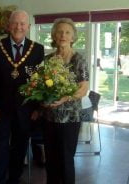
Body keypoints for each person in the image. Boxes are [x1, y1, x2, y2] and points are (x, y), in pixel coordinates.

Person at [0, 10, 44, 184]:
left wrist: (37, 108)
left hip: (26, 110)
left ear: (28, 27)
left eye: (22, 23)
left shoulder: (37, 49)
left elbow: (39, 82)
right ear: (9, 26)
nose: (19, 27)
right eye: (15, 23)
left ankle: (14, 180)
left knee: (20, 148)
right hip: (0, 110)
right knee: (1, 148)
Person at [42, 18, 89, 184]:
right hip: (49, 117)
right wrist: (43, 99)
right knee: (51, 159)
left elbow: (83, 89)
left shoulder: (79, 59)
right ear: (54, 36)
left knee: (66, 159)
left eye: (67, 32)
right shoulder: (47, 60)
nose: (63, 35)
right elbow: (42, 86)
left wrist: (64, 98)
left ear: (73, 37)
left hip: (70, 117)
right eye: (59, 32)